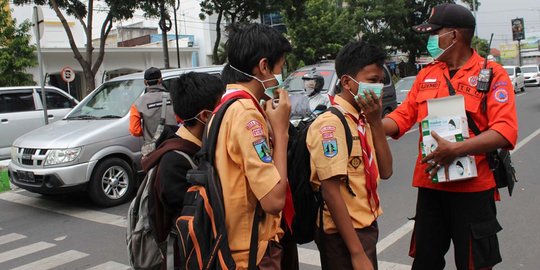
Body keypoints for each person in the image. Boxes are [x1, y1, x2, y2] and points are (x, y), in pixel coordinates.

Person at [383, 3, 518, 270]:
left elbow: (505, 130)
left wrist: (457, 149)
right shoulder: (427, 74)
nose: (429, 39)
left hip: (473, 190)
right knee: (424, 261)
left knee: (474, 264)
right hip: (431, 187)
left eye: (435, 33)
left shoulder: (492, 75)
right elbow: (401, 118)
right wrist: (370, 120)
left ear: (453, 36)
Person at [307, 41, 393, 270]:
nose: (379, 88)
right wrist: (356, 253)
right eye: (372, 81)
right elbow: (331, 190)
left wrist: (376, 122)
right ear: (346, 82)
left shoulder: (364, 120)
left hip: (366, 226)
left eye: (381, 82)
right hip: (342, 235)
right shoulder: (331, 125)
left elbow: (386, 171)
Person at [213, 23, 293, 269]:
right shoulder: (247, 114)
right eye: (281, 67)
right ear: (264, 66)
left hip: (232, 245)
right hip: (252, 253)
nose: (282, 75)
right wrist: (281, 132)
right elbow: (273, 201)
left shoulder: (225, 105)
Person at [141, 72, 225, 269]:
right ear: (205, 116)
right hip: (187, 258)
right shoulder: (175, 161)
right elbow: (198, 221)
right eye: (222, 109)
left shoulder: (197, 146)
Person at [129, 67, 177, 143]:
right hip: (173, 143)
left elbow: (134, 130)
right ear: (160, 80)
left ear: (145, 82)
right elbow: (181, 119)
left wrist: (148, 134)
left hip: (153, 148)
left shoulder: (137, 103)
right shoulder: (173, 98)